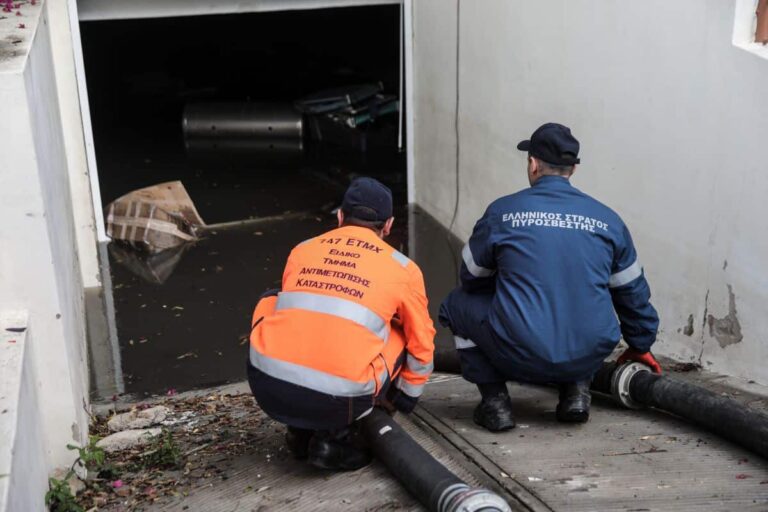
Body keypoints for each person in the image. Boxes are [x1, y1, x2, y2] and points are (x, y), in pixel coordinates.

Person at [439, 123, 660, 432]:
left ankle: (495, 404)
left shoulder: (503, 213)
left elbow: (472, 277)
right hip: (587, 354)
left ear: (532, 164)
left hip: (518, 352)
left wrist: (512, 286)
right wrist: (640, 343)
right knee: (578, 301)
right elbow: (632, 291)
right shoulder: (608, 220)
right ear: (573, 169)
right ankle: (575, 394)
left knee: (456, 304)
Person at [248, 177, 436, 470]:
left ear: (339, 217)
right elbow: (422, 340)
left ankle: (299, 432)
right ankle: (337, 440)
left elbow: (306, 322)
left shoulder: (302, 249)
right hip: (341, 401)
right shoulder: (403, 268)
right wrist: (406, 396)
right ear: (388, 225)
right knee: (402, 328)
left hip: (268, 389)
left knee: (274, 299)